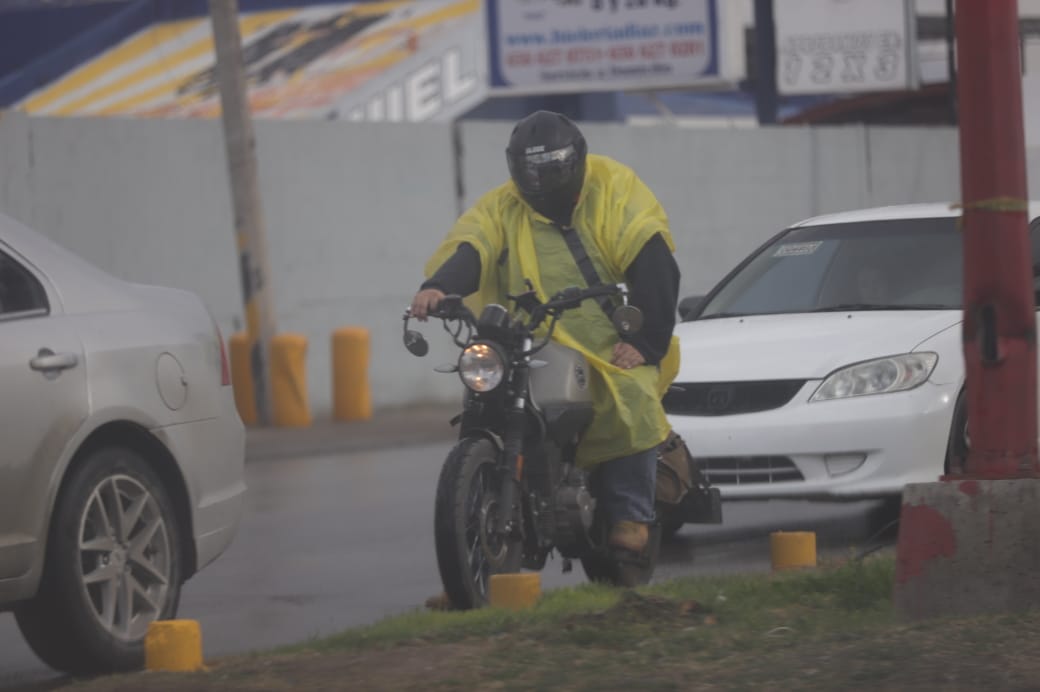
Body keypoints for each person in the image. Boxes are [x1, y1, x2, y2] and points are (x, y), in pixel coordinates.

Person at [411, 110, 681, 556]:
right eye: (530, 170)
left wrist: (644, 343)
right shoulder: (503, 205)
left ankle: (632, 515)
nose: (540, 181)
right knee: (487, 396)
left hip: (606, 341)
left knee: (631, 394)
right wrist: (440, 286)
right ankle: (482, 526)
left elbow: (654, 263)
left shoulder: (614, 189)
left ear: (575, 161)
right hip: (528, 336)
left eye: (550, 169)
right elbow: (474, 245)